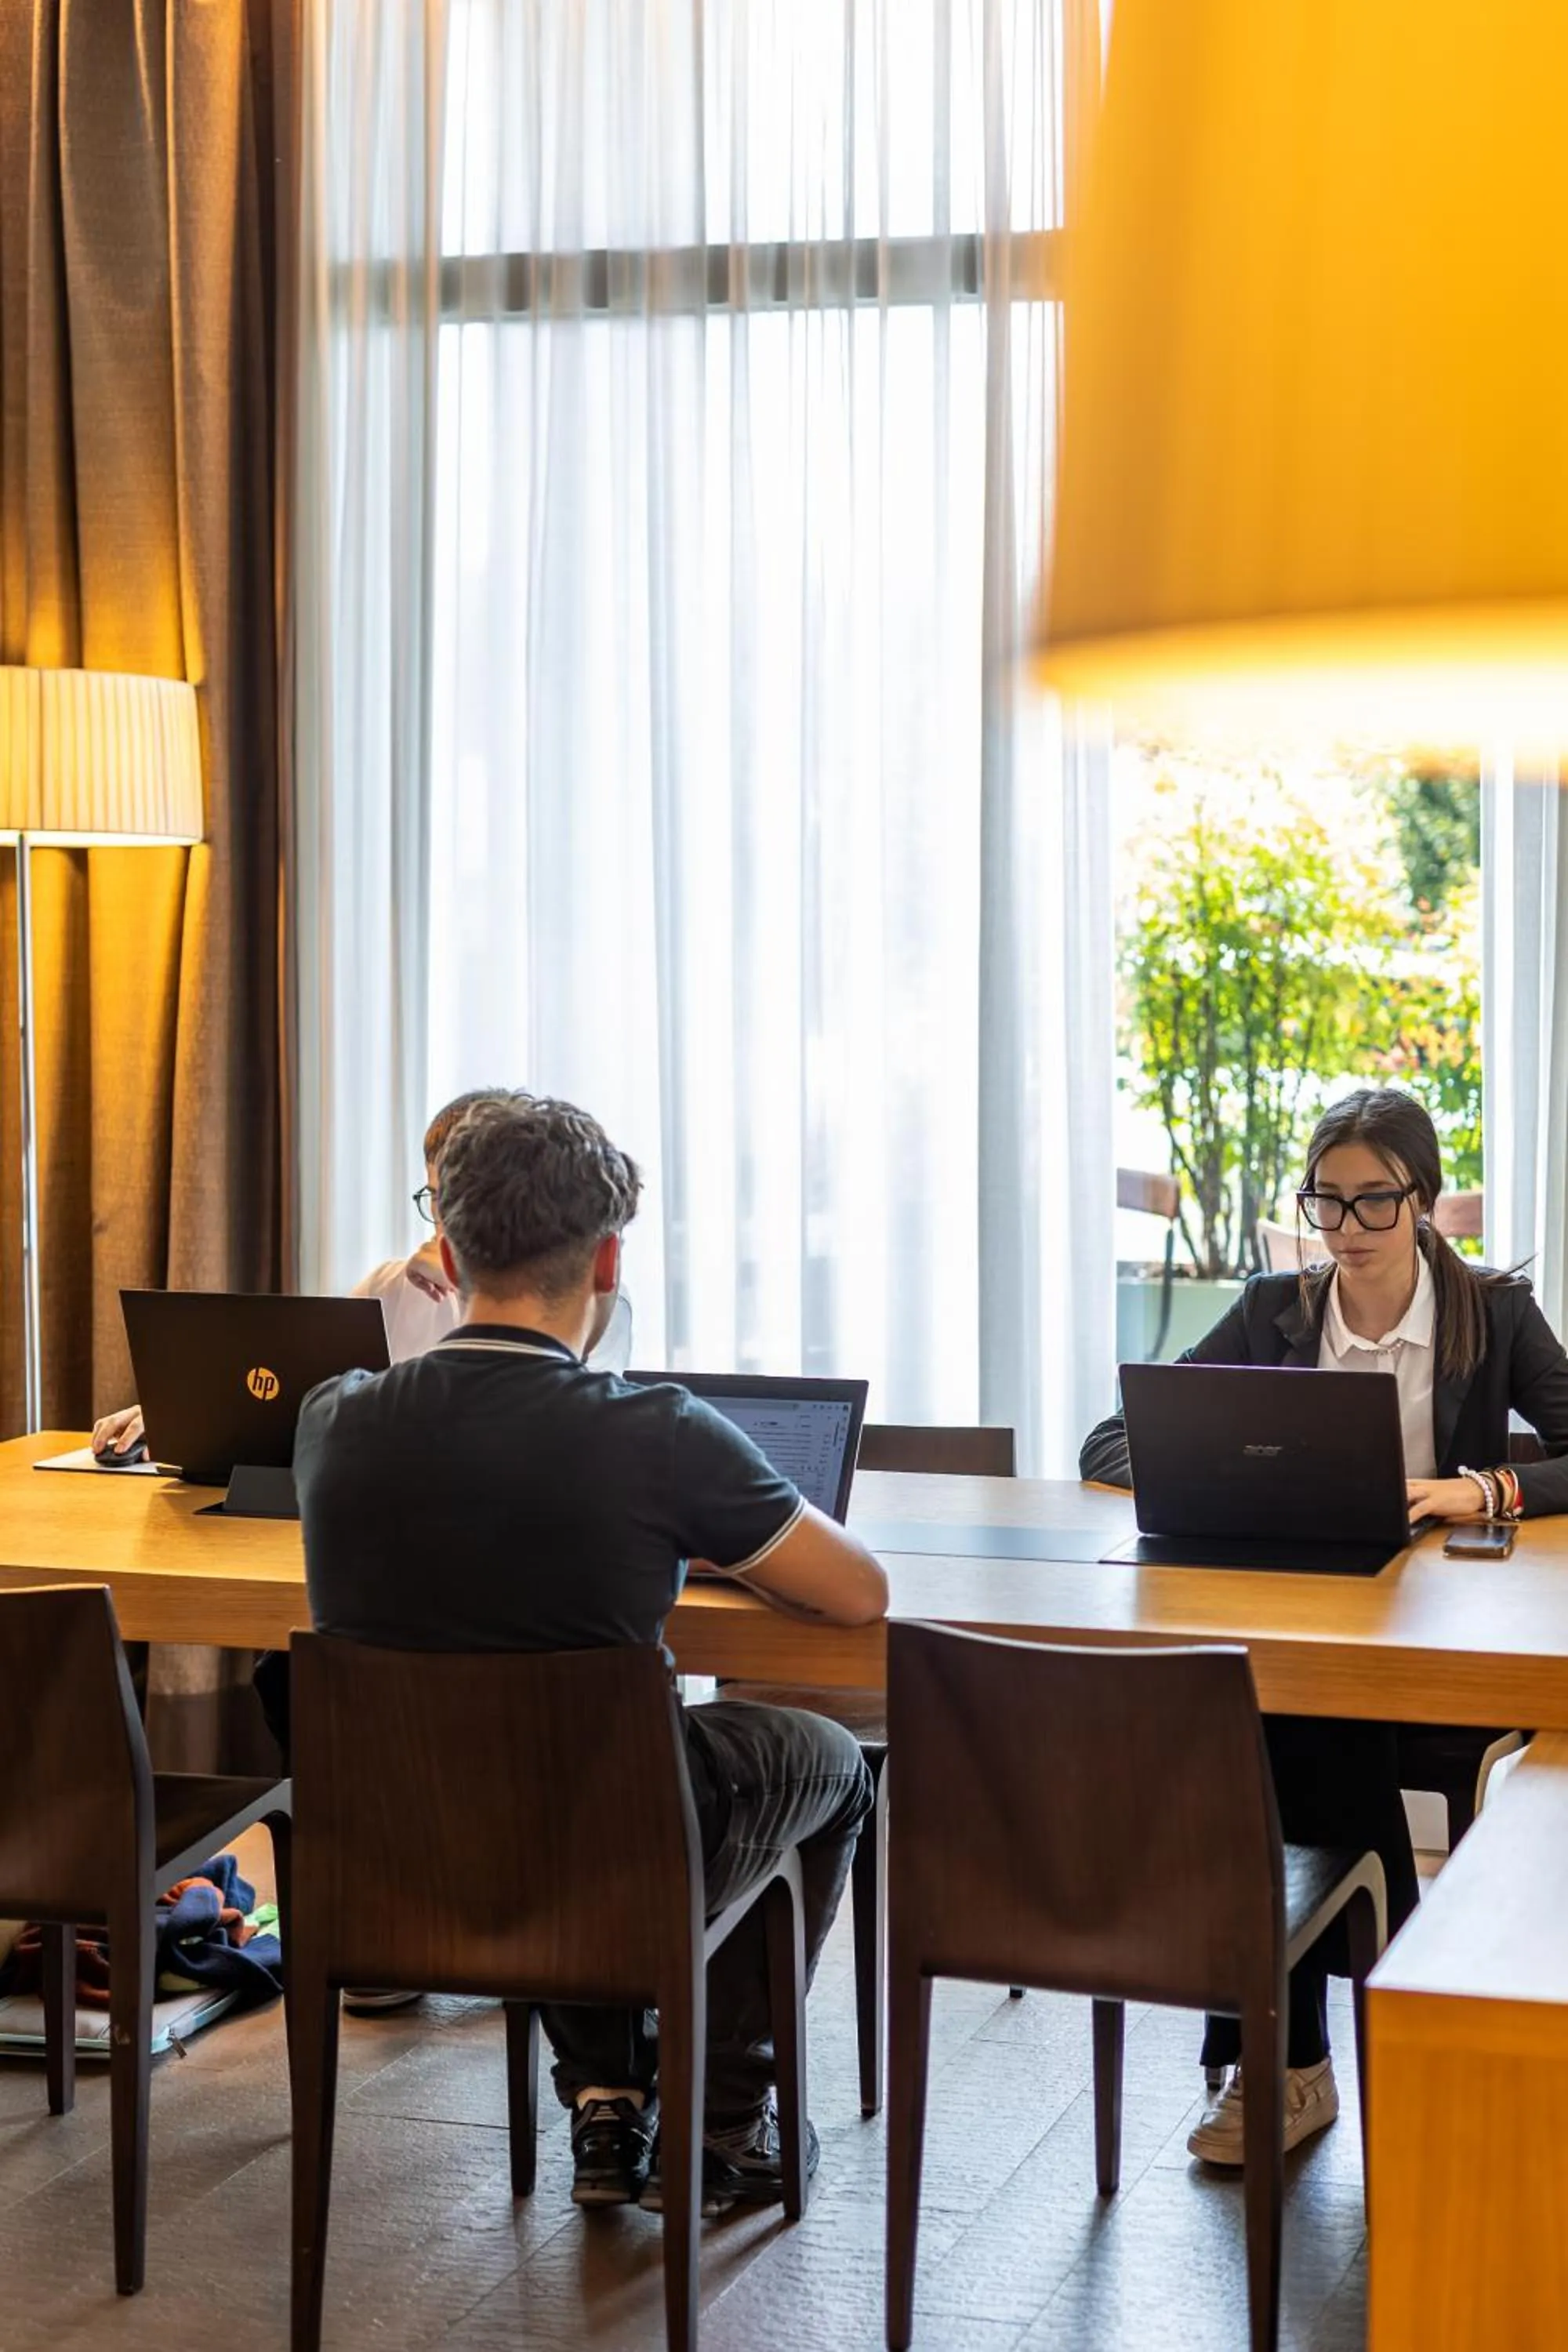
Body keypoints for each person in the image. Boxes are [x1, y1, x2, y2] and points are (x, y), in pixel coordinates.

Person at [292, 1091, 886, 2214]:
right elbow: (859, 1593)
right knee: (830, 1766)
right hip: (607, 1843)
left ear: (451, 1245)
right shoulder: (654, 1433)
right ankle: (723, 2124)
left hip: (402, 1849)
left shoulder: (335, 1419)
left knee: (555, 1762)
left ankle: (606, 2100)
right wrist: (711, 1549)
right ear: (609, 1259)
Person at [1081, 1086, 1568, 2168]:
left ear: (1425, 1201)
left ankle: (1289, 2057)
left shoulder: (1494, 1314)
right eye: (1327, 1204)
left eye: (1374, 1204)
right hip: (1295, 1612)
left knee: (1281, 1733)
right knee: (1280, 1720)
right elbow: (1113, 1438)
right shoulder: (1272, 1309)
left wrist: (1476, 1491)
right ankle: (1357, 2024)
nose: (1347, 1231)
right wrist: (1214, 1488)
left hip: (1449, 1628)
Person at [89, 1088, 634, 1461]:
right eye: (437, 1200)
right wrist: (197, 1425)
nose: (449, 1222)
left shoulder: (588, 1300)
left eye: (464, 1203)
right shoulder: (388, 1288)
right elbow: (301, 1406)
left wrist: (465, 1287)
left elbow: (568, 1424)